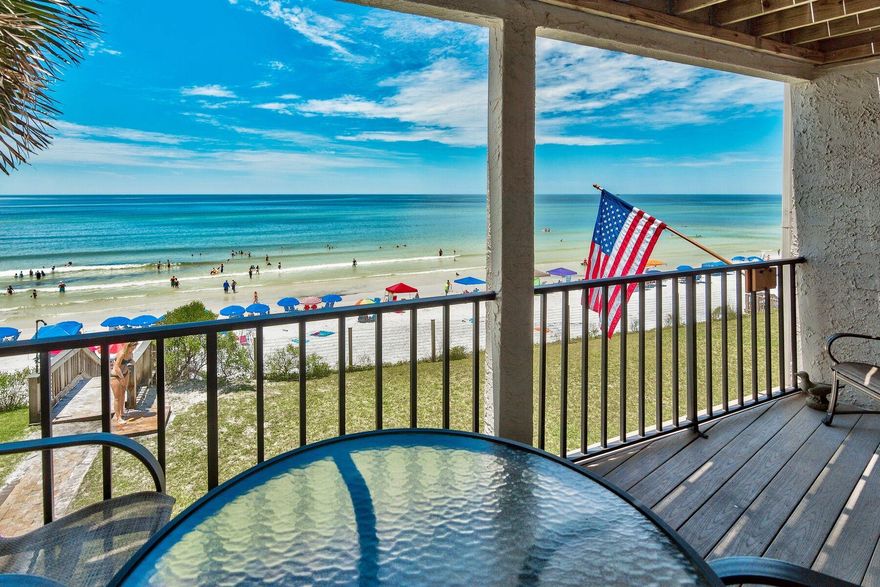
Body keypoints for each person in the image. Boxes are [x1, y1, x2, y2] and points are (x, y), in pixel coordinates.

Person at [110, 342, 135, 425]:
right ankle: (118, 418)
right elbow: (116, 367)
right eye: (133, 345)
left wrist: (133, 362)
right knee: (117, 397)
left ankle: (122, 412)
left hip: (125, 373)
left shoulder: (131, 353)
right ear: (128, 345)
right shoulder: (121, 354)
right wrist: (121, 378)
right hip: (116, 376)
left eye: (136, 345)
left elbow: (130, 361)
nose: (135, 347)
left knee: (123, 393)